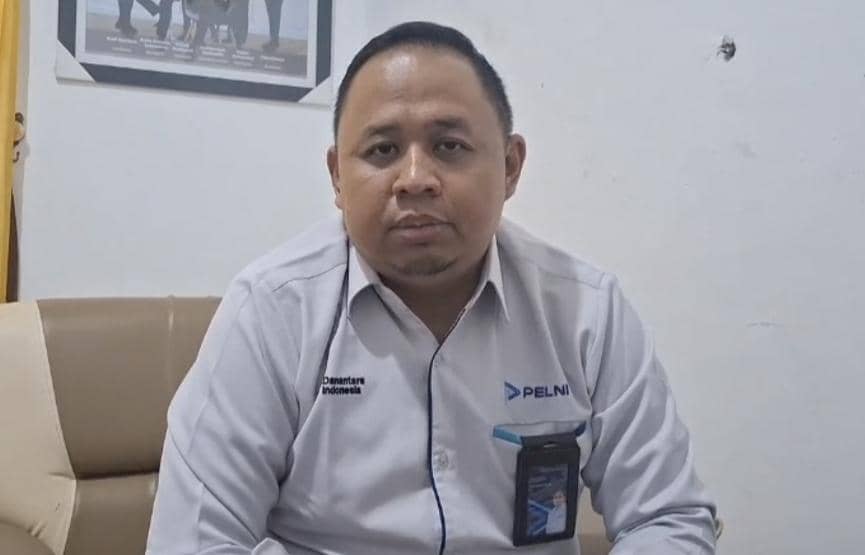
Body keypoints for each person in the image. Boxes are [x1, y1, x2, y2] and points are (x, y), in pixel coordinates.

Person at [146, 21, 718, 554]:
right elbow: (195, 542)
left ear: (510, 166)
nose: (415, 179)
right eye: (382, 150)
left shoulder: (587, 312)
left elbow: (667, 518)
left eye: (449, 146)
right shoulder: (274, 312)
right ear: (338, 177)